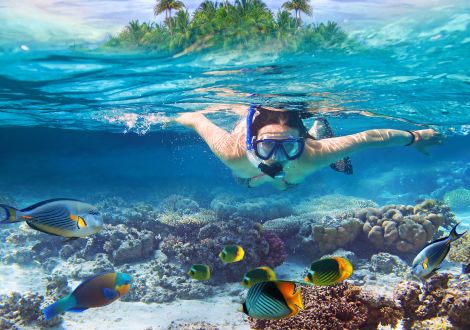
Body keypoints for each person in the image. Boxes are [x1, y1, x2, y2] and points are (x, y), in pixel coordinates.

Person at [175, 104, 442, 190]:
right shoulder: (232, 151)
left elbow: (369, 137)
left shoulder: (312, 153)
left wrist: (414, 137)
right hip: (247, 173)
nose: (277, 157)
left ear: (301, 142)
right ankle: (313, 133)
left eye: (289, 146)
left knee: (287, 183)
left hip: (300, 160)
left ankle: (316, 130)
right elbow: (197, 118)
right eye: (268, 146)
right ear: (252, 142)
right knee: (245, 181)